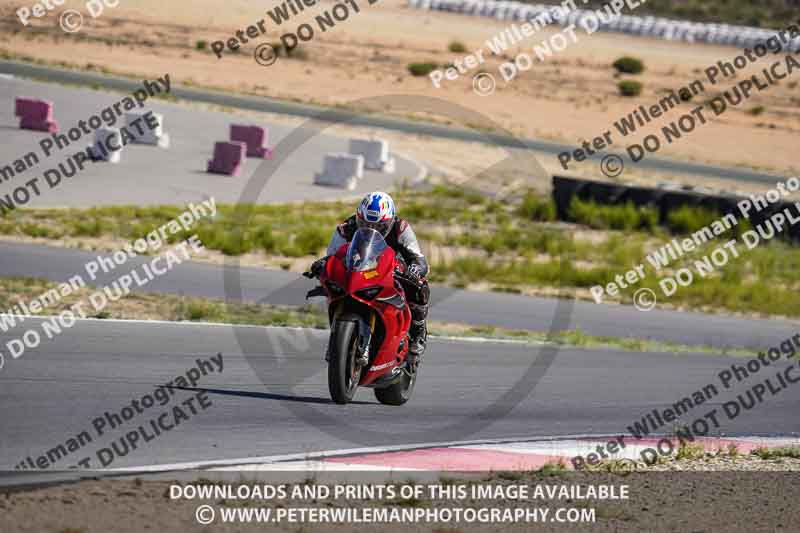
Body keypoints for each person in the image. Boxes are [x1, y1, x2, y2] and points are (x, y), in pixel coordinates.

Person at [308, 191, 430, 366]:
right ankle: (337, 337)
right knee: (331, 285)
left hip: (392, 270)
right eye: (364, 224)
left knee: (421, 287)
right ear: (358, 217)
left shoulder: (401, 228)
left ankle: (418, 333)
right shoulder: (346, 227)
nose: (372, 229)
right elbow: (333, 256)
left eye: (379, 227)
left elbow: (418, 257)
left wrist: (415, 269)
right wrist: (322, 264)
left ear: (389, 221)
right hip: (358, 270)